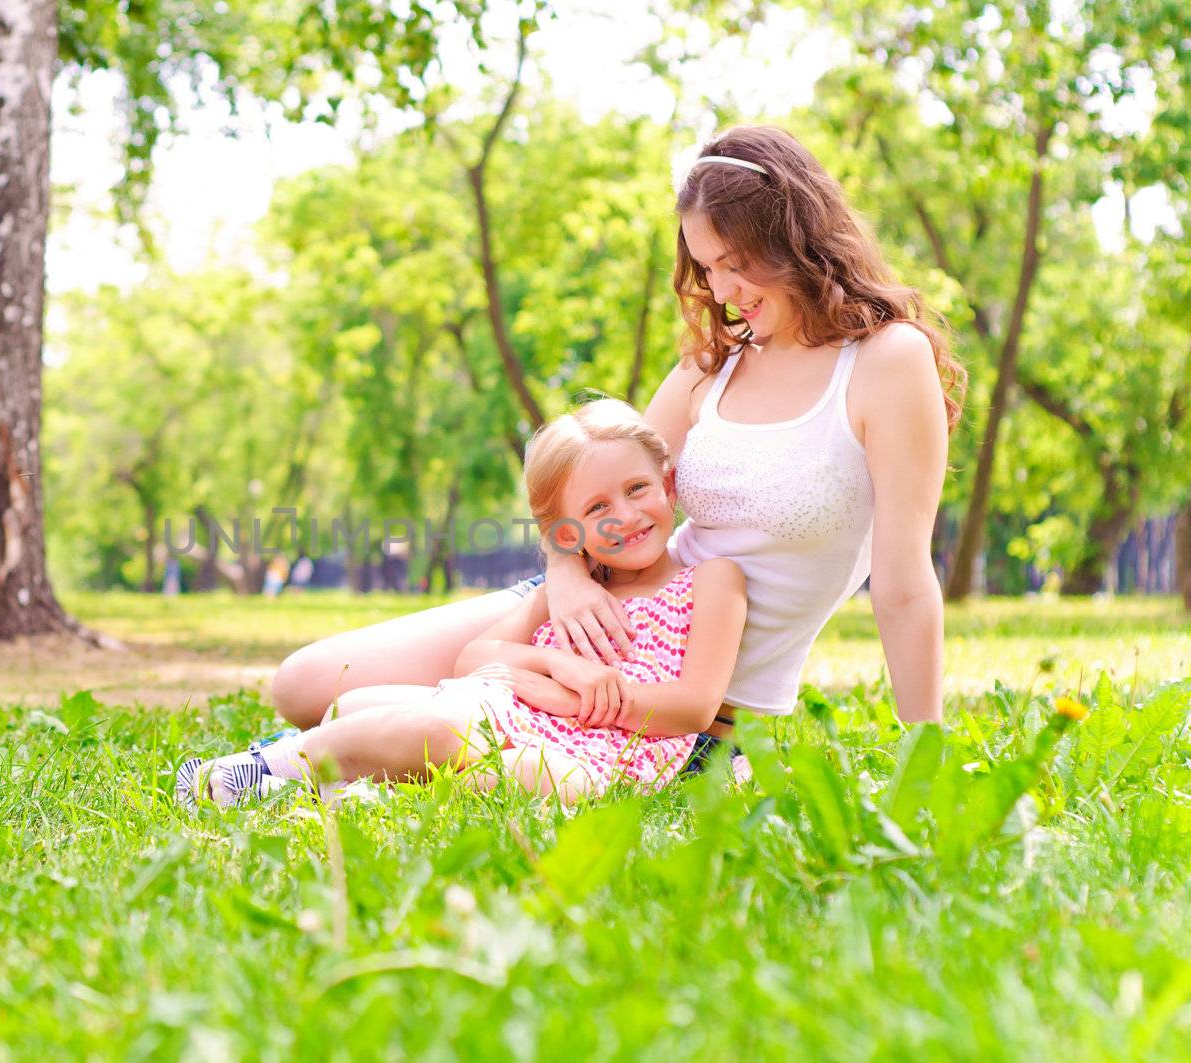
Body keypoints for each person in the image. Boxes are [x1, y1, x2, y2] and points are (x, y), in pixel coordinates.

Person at [268, 125, 964, 745]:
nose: (722, 293)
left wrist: (924, 753)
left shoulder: (886, 362)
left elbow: (902, 583)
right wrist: (568, 579)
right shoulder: (712, 365)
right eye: (707, 268)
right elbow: (588, 487)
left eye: (735, 263)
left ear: (791, 237)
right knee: (302, 686)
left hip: (679, 685)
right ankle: (458, 710)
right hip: (595, 609)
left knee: (378, 720)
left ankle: (454, 717)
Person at [175, 401, 747, 806]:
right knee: (361, 703)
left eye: (637, 489)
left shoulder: (711, 581)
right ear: (566, 533)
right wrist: (555, 666)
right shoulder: (568, 592)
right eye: (597, 509)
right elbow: (475, 659)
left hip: (609, 757)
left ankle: (265, 773)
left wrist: (559, 698)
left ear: (668, 486)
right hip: (513, 715)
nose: (625, 516)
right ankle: (317, 780)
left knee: (482, 756)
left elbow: (694, 708)